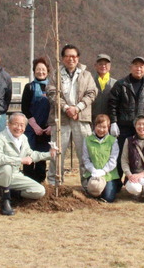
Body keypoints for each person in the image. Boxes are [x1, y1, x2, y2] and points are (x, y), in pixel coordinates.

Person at [0, 113, 57, 215]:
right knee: (6, 167)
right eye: (16, 124)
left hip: (15, 175)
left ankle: (10, 194)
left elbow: (31, 154)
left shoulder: (23, 138)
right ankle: (5, 202)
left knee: (39, 191)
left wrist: (49, 154)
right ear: (8, 124)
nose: (19, 128)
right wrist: (20, 160)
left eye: (22, 125)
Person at [46, 44, 97, 187]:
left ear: (78, 58)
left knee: (85, 154)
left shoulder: (86, 74)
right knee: (57, 154)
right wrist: (66, 108)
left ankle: (88, 185)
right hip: (61, 119)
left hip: (81, 119)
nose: (71, 59)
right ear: (62, 58)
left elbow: (92, 93)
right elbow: (51, 92)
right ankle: (54, 185)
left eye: (74, 56)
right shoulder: (55, 75)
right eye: (67, 56)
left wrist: (77, 108)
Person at [108, 56, 144, 180]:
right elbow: (112, 104)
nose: (138, 68)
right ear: (130, 67)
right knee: (121, 155)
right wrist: (113, 122)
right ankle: (116, 181)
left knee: (139, 156)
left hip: (141, 129)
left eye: (141, 66)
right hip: (123, 128)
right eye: (136, 65)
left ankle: (133, 181)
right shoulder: (121, 84)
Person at [21, 56, 52, 183]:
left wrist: (51, 125)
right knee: (28, 156)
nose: (41, 72)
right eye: (38, 69)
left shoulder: (52, 87)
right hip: (32, 128)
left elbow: (56, 108)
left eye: (43, 69)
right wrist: (34, 126)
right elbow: (25, 108)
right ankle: (27, 182)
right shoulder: (29, 87)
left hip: (47, 129)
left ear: (47, 71)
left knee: (41, 158)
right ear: (34, 71)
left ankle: (39, 182)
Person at [82, 114, 120, 202]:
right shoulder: (87, 140)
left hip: (108, 174)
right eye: (99, 126)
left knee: (108, 198)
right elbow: (85, 158)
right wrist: (93, 170)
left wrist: (103, 171)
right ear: (95, 126)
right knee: (94, 193)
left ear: (108, 127)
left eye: (104, 127)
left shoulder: (113, 141)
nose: (101, 130)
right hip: (93, 173)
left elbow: (113, 160)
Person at [91, 54, 117, 119]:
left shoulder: (116, 83)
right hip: (92, 120)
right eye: (100, 64)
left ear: (110, 66)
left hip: (109, 121)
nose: (103, 66)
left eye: (106, 64)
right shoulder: (90, 82)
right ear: (95, 66)